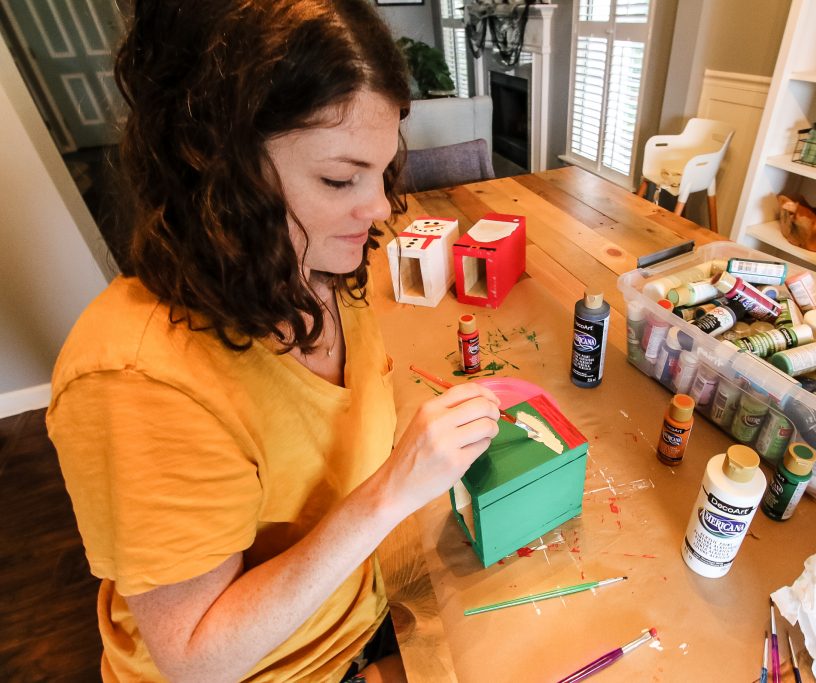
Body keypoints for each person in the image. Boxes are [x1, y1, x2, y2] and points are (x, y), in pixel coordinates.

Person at [45, 1, 501, 681]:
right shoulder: (137, 379)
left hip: (362, 612)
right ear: (218, 166)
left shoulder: (322, 266)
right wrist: (393, 491)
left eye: (382, 170)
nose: (378, 207)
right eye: (340, 178)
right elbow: (198, 658)